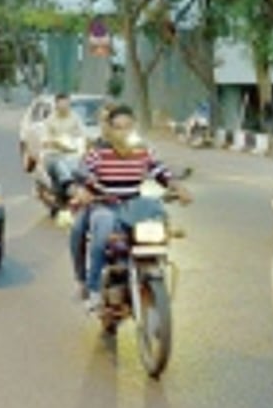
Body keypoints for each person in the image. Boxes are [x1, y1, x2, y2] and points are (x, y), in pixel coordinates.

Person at [71, 104, 191, 312]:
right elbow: (82, 173)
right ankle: (93, 290)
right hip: (105, 204)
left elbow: (160, 171)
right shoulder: (98, 152)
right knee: (101, 231)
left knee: (155, 210)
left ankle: (155, 269)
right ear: (110, 128)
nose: (124, 131)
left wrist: (177, 187)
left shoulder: (142, 150)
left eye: (128, 126)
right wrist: (83, 190)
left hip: (133, 205)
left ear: (134, 127)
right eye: (118, 127)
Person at [42, 93, 86, 202]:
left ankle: (74, 190)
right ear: (56, 105)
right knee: (59, 164)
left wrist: (78, 145)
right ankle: (69, 186)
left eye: (66, 104)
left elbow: (82, 135)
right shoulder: (50, 120)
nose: (64, 107)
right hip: (53, 155)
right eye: (61, 104)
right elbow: (45, 139)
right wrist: (55, 143)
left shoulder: (76, 118)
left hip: (72, 154)